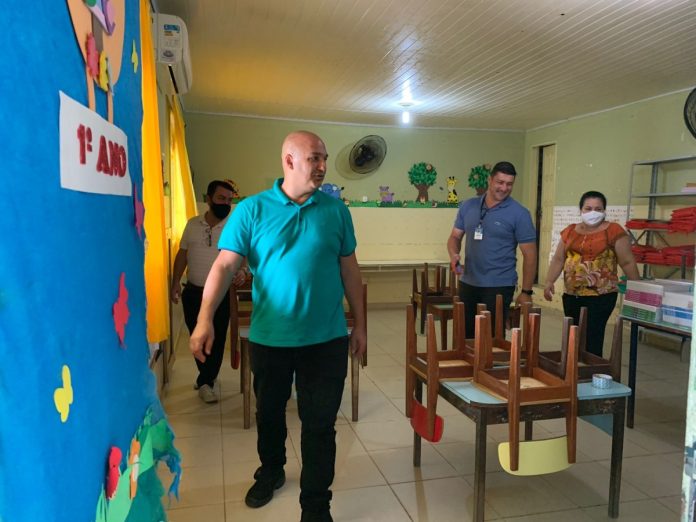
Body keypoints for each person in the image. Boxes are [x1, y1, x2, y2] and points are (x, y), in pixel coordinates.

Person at [189, 131, 366, 522]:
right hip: (271, 340)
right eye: (315, 158)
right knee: (269, 414)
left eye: (324, 158)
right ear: (289, 161)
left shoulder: (336, 211)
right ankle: (270, 471)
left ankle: (316, 506)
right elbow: (224, 266)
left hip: (326, 340)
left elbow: (350, 271)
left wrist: (362, 325)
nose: (323, 166)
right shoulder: (252, 210)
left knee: (320, 425)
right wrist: (204, 319)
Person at [171, 180, 247, 403]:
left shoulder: (234, 226)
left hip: (222, 295)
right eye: (221, 198)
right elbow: (182, 254)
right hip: (193, 292)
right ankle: (206, 376)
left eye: (229, 200)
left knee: (217, 338)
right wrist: (175, 282)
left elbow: (244, 254)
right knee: (197, 336)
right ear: (208, 199)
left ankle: (206, 381)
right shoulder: (192, 224)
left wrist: (243, 270)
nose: (226, 203)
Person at [447, 161, 538, 337]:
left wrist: (526, 292)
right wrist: (454, 255)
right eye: (500, 182)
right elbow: (455, 237)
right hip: (468, 282)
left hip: (499, 286)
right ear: (490, 180)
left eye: (509, 184)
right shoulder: (468, 206)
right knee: (465, 337)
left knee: (490, 338)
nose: (504, 188)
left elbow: (530, 255)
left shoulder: (520, 213)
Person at [544, 190, 640, 357]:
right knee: (574, 337)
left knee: (592, 338)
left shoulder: (613, 230)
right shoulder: (570, 231)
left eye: (598, 209)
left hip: (601, 296)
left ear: (604, 211)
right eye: (588, 208)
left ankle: (592, 370)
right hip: (572, 295)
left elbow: (627, 261)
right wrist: (549, 281)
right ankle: (573, 369)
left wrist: (638, 288)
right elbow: (559, 259)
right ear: (581, 210)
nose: (593, 212)